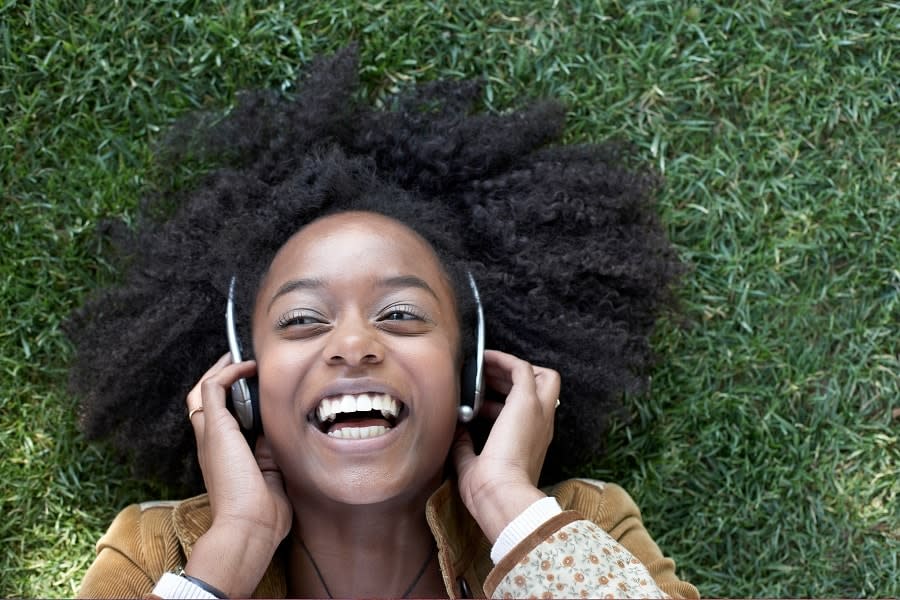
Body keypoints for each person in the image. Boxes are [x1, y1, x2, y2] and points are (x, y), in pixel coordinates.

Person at [69, 47, 697, 599]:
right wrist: (230, 551)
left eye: (400, 313)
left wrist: (509, 505)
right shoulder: (156, 551)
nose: (352, 345)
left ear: (469, 368)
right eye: (303, 319)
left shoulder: (583, 522)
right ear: (242, 383)